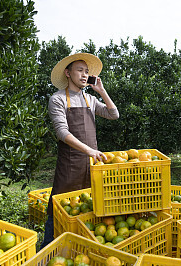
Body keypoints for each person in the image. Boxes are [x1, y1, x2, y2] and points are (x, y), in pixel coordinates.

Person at [40, 53, 119, 249]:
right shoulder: (58, 99)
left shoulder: (90, 100)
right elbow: (62, 133)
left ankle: (80, 245)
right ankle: (49, 246)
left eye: (87, 72)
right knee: (59, 207)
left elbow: (113, 114)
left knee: (87, 206)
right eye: (79, 70)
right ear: (68, 73)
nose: (84, 75)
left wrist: (101, 91)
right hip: (69, 165)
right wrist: (90, 150)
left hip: (91, 164)